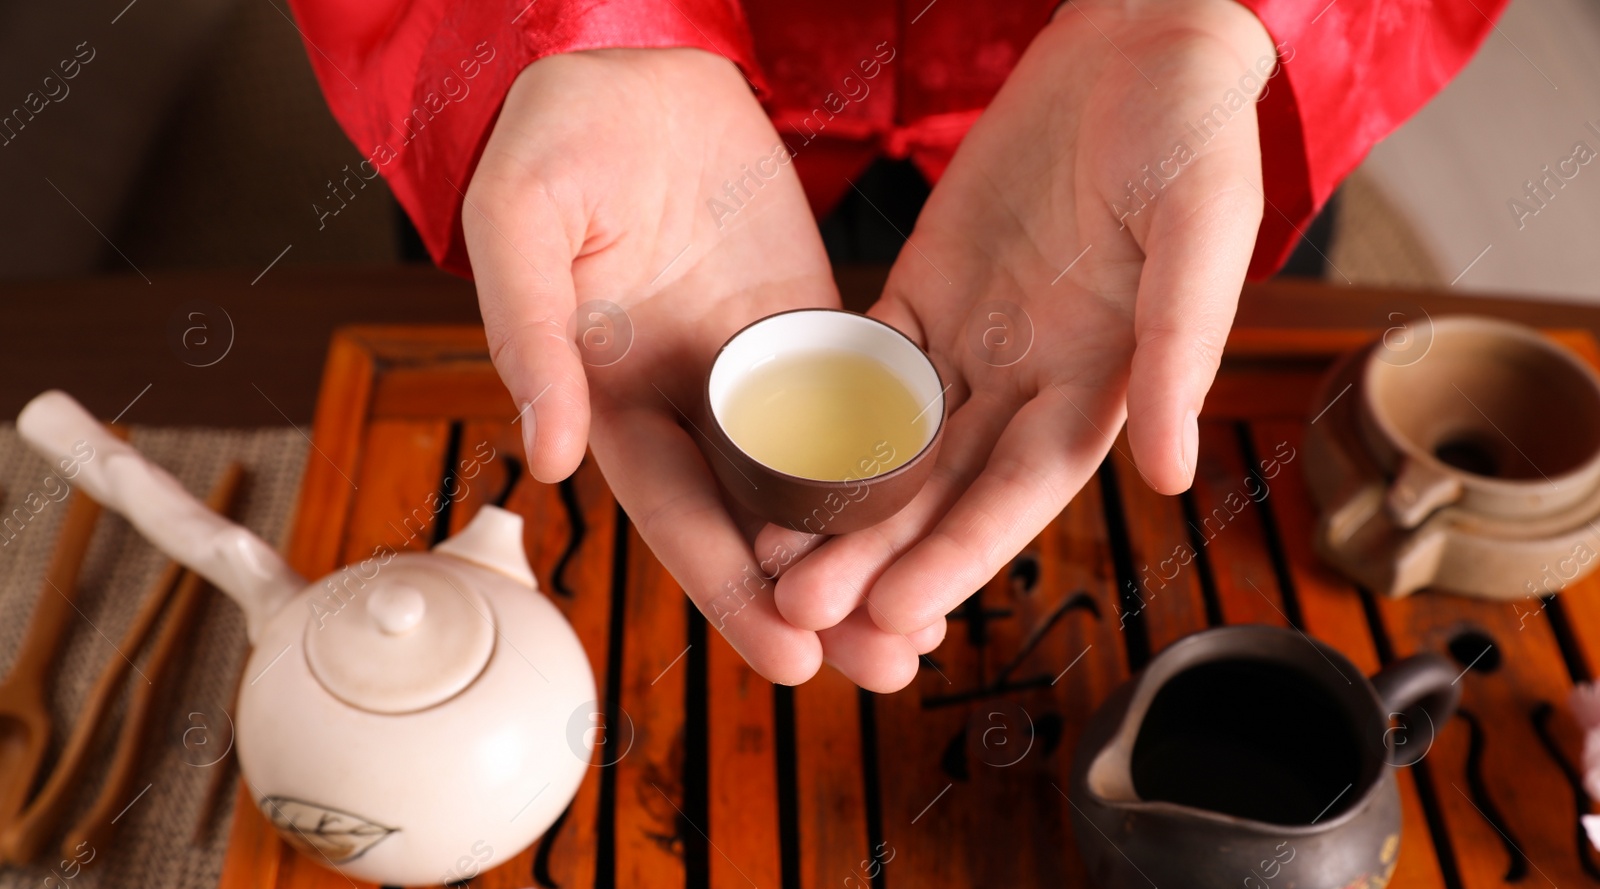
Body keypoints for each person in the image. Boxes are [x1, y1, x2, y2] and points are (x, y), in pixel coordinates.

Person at [286, 0, 1504, 691]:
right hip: (616, 127)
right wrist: (564, 25)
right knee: (568, 475)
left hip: (1117, 118)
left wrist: (1219, 14)